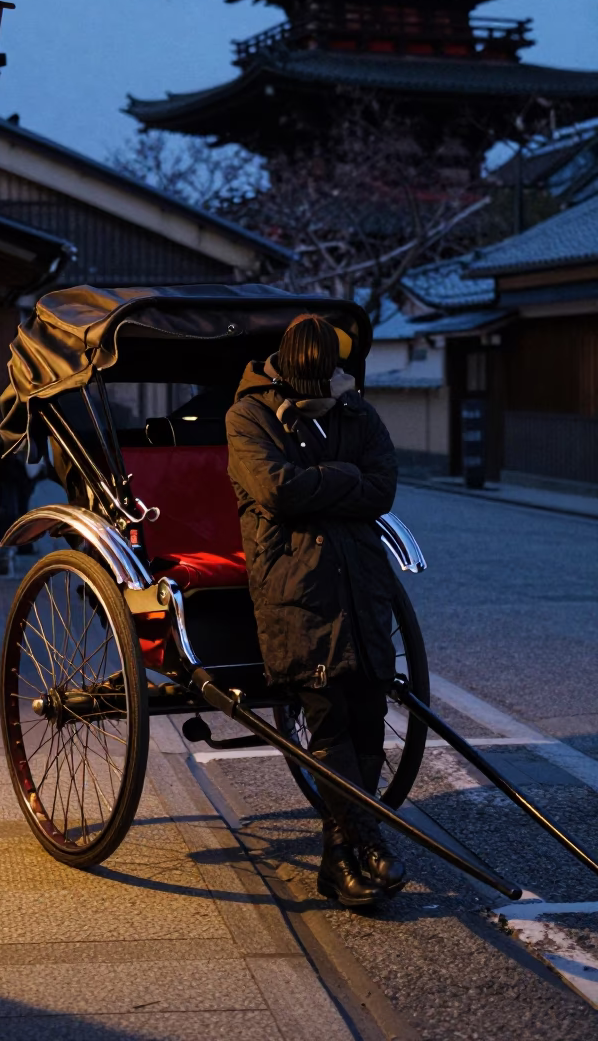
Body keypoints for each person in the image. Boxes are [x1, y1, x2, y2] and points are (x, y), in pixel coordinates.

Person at [225, 312, 406, 908]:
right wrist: (343, 478)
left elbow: (383, 486)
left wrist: (320, 481)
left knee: (370, 710)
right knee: (328, 718)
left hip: (359, 580)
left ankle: (343, 858)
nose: (316, 394)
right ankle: (367, 843)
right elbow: (276, 490)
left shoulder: (355, 411)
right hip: (294, 582)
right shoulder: (248, 414)